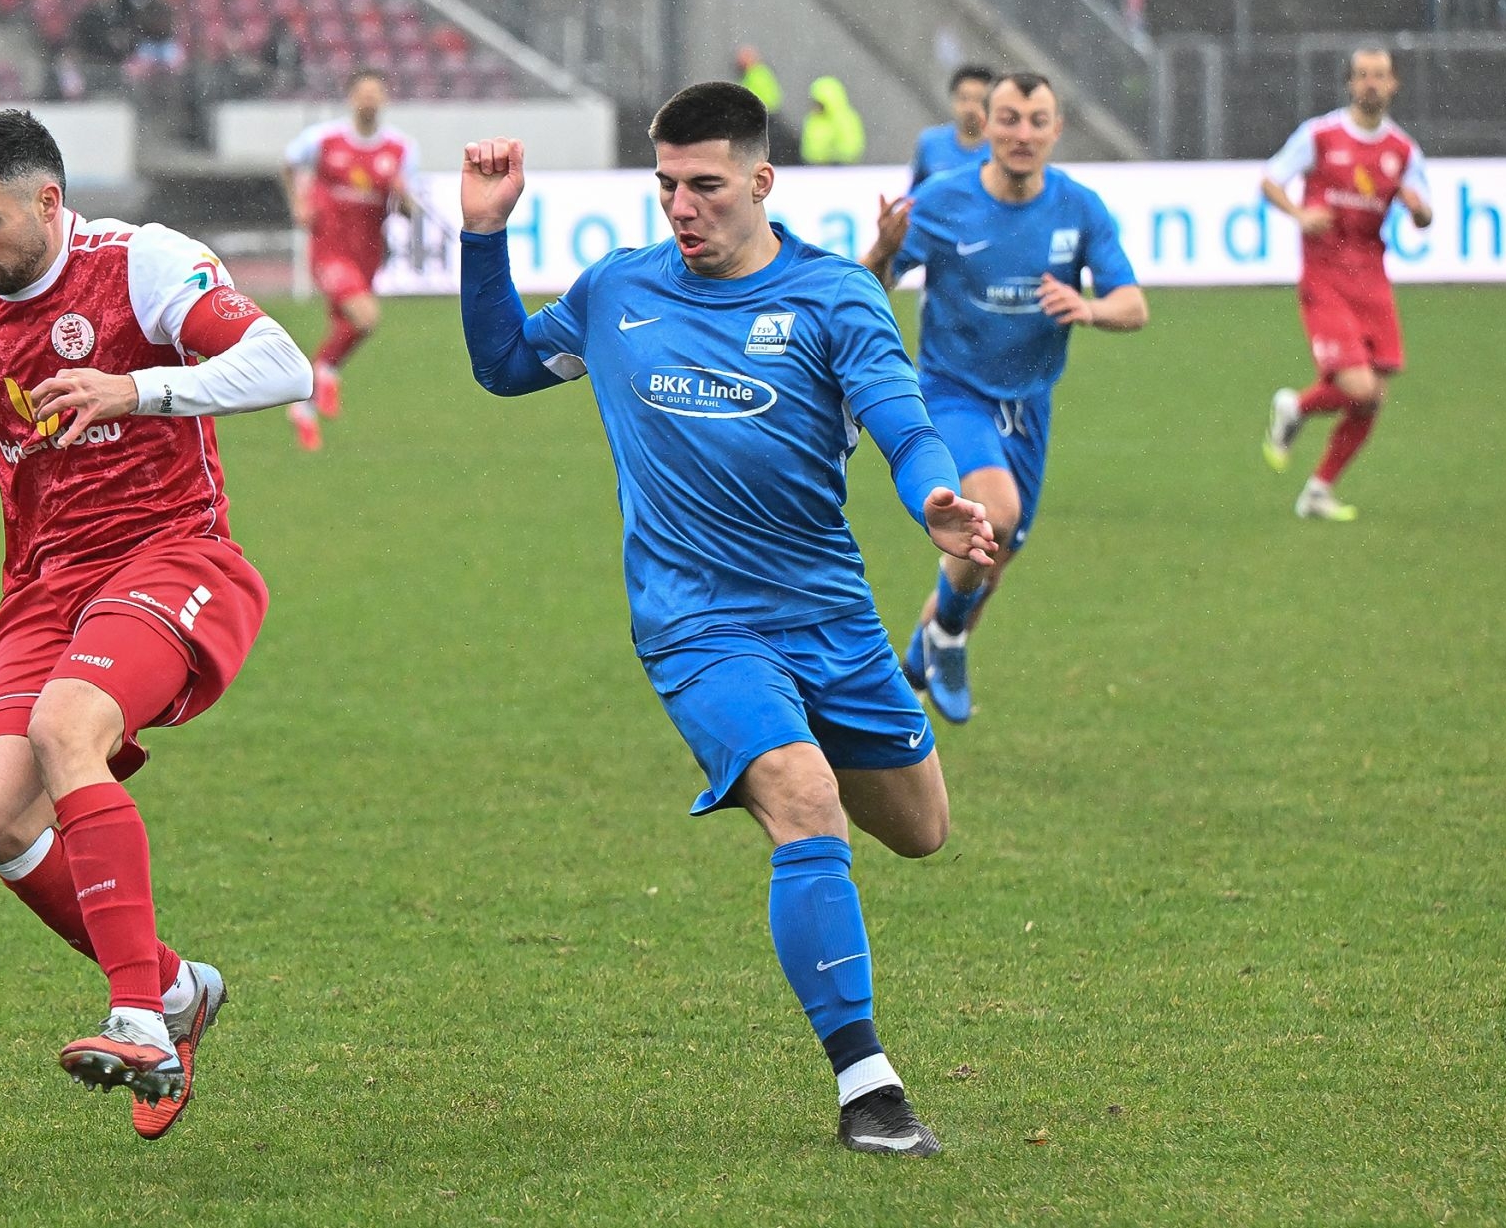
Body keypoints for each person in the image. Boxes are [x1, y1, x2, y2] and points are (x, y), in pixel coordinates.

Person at [457, 82, 998, 1157]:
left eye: (705, 185)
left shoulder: (837, 295)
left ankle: (789, 762)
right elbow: (507, 364)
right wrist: (486, 234)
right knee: (806, 802)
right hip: (697, 621)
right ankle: (869, 1090)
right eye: (666, 185)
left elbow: (903, 422)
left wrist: (935, 497)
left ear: (761, 180)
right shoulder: (618, 291)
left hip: (830, 616)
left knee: (920, 828)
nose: (682, 207)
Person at [0, 109, 312, 1139]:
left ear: (48, 201)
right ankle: (177, 988)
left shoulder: (143, 264)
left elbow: (282, 363)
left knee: (65, 728)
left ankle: (139, 1019)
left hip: (175, 556)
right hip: (43, 583)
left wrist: (139, 387)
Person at [862, 72, 1148, 725]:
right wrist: (883, 248)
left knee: (997, 551)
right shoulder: (941, 201)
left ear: (1057, 130)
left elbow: (1134, 305)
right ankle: (950, 638)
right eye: (1010, 118)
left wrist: (1089, 307)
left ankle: (937, 635)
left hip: (1031, 404)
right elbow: (867, 290)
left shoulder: (1078, 207)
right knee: (995, 512)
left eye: (1036, 120)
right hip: (952, 390)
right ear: (984, 124)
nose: (1023, 133)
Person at [1259, 48, 1432, 521]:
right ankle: (1295, 406)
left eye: (1379, 75)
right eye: (1362, 76)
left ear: (1394, 83)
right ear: (1349, 84)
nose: (1371, 83)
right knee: (1358, 387)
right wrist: (1298, 214)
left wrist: (1418, 210)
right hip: (1325, 277)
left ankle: (1318, 488)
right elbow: (1269, 180)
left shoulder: (1403, 150)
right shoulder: (1319, 135)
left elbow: (1424, 213)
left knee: (1374, 393)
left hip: (1372, 278)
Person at [280, 69, 420, 451]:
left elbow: (410, 211)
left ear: (385, 99)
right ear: (351, 98)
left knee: (351, 326)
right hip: (329, 248)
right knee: (366, 317)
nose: (369, 100)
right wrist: (298, 202)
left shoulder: (401, 150)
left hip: (368, 254)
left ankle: (305, 405)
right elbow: (290, 163)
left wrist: (403, 195)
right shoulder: (324, 140)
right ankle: (323, 374)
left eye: (376, 93)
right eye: (363, 93)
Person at [909, 64, 993, 189]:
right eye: (963, 98)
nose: (970, 108)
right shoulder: (931, 142)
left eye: (978, 99)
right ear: (953, 99)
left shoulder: (1000, 146)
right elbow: (915, 194)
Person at [799, 75, 866, 165]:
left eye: (818, 103)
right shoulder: (812, 119)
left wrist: (832, 156)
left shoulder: (845, 119)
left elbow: (852, 146)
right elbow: (808, 148)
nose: (815, 106)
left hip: (840, 169)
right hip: (815, 168)